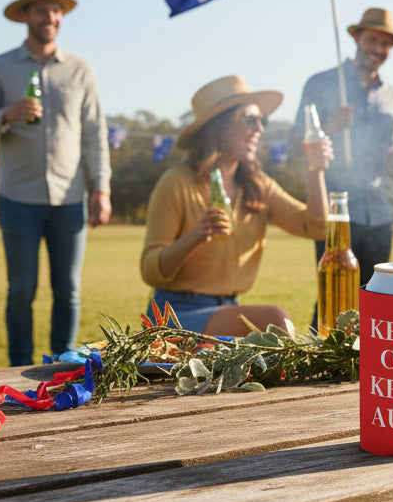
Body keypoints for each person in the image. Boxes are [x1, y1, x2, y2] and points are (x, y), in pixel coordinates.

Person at [0, 0, 112, 366]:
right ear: (25, 17)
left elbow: (95, 132)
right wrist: (6, 115)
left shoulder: (81, 70)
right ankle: (19, 371)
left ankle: (62, 366)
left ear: (61, 16)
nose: (49, 17)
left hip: (70, 198)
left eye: (55, 10)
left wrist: (102, 188)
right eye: (40, 10)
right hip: (18, 198)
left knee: (68, 291)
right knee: (21, 290)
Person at [141, 75, 332, 335]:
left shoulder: (257, 185)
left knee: (273, 330)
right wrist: (197, 235)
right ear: (219, 127)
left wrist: (315, 169)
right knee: (275, 320)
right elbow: (151, 270)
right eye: (250, 119)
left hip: (228, 309)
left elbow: (318, 227)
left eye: (261, 120)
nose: (260, 129)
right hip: (175, 313)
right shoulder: (176, 182)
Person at [289, 8, 393, 286]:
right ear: (356, 38)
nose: (378, 49)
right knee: (335, 303)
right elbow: (294, 146)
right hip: (336, 216)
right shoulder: (321, 83)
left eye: (385, 44)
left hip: (379, 217)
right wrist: (329, 127)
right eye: (372, 41)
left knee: (376, 306)